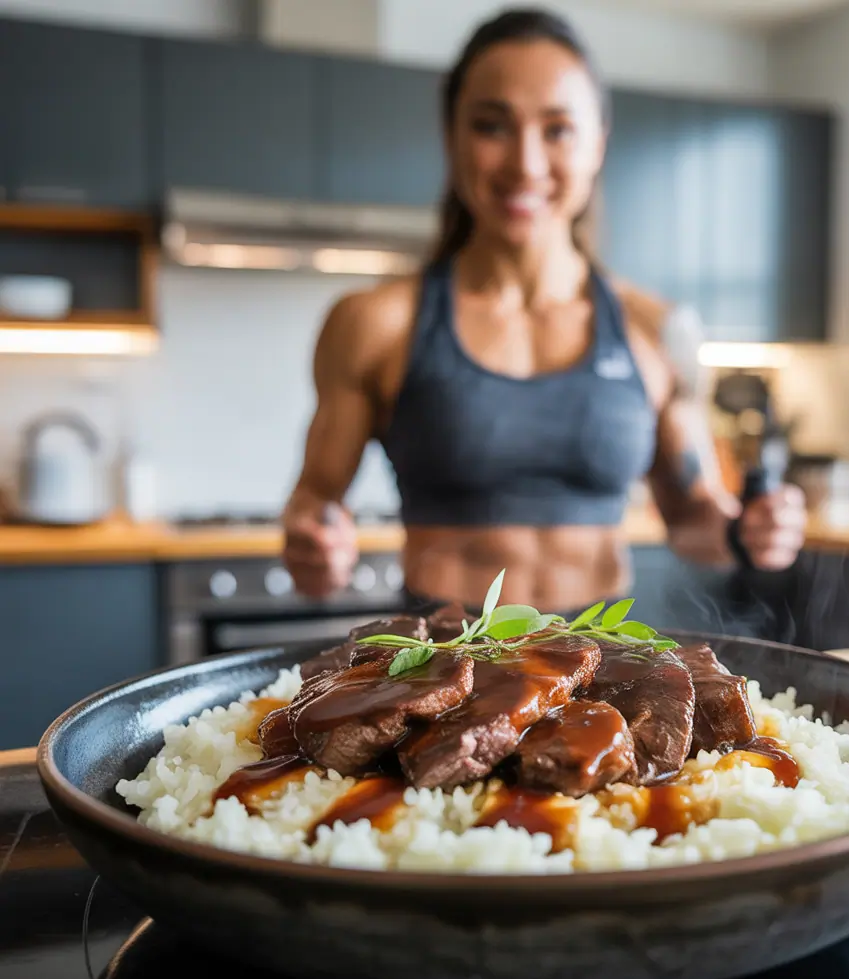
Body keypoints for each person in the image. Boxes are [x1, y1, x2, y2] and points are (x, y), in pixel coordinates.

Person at [281, 7, 806, 617]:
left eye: (557, 129)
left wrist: (747, 533)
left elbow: (694, 520)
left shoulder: (659, 331)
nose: (526, 163)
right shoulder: (375, 324)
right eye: (491, 126)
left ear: (598, 144)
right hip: (444, 669)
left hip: (601, 671)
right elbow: (313, 503)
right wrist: (315, 545)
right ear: (452, 136)